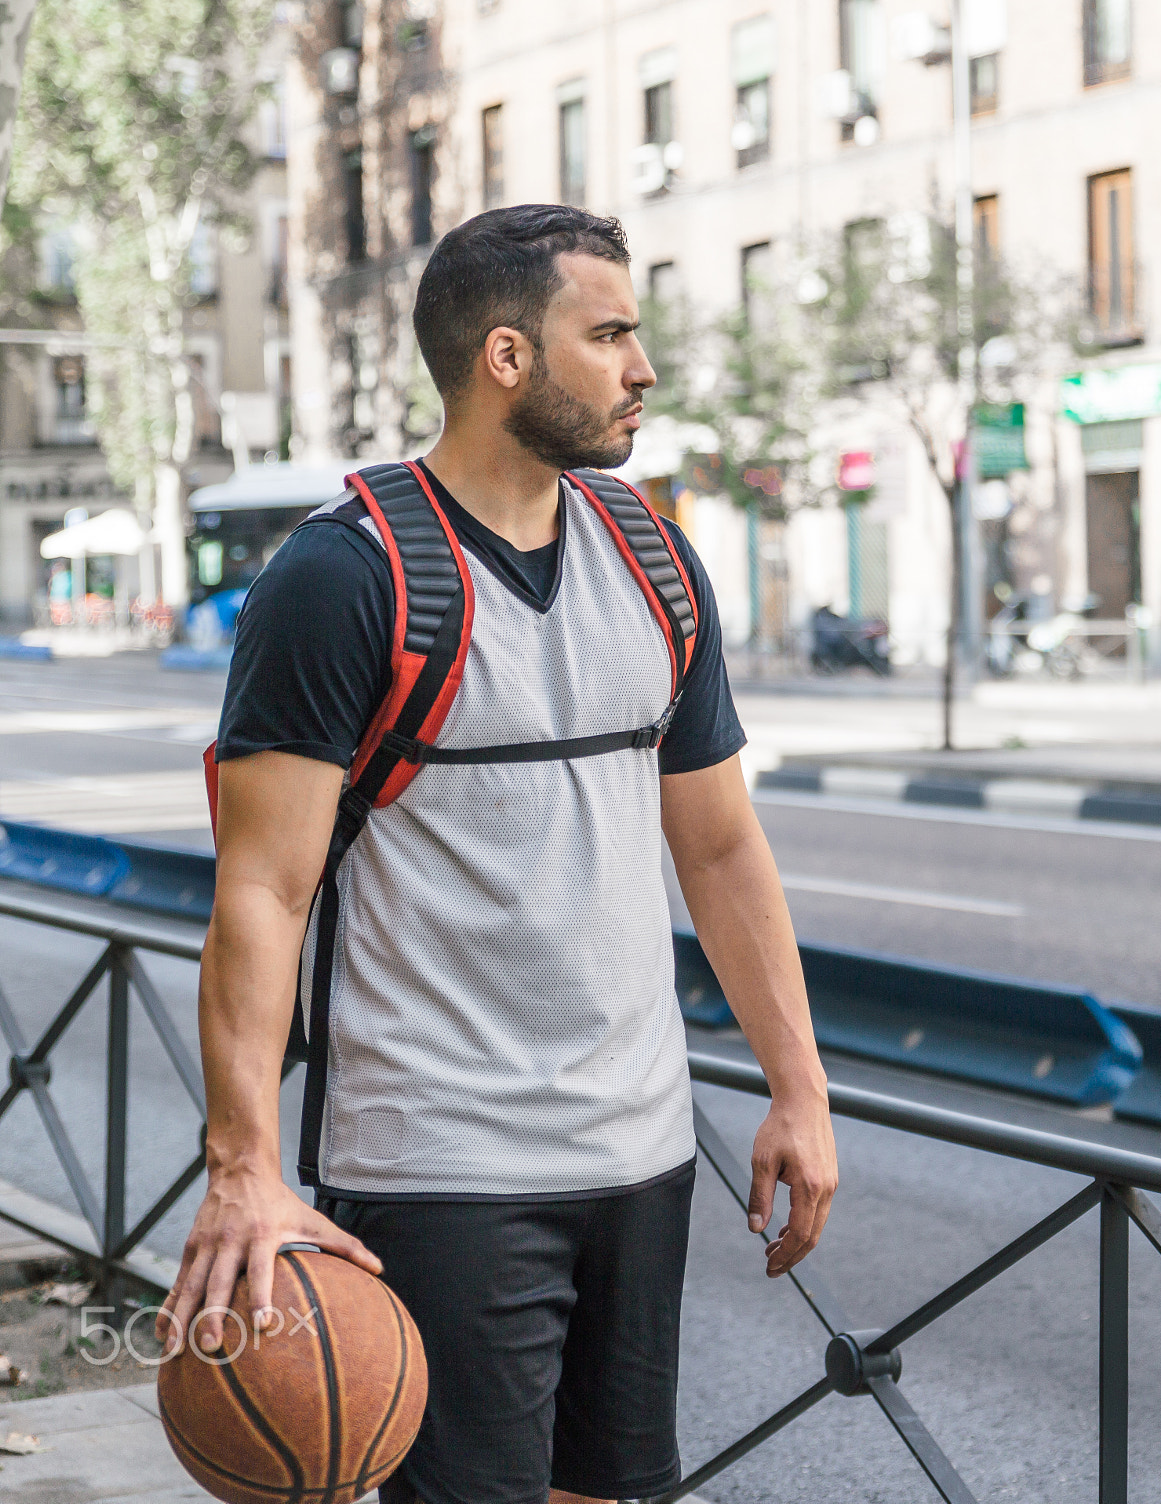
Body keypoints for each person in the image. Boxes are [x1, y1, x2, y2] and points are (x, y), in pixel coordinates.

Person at [159, 205, 838, 1504]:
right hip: (441, 1168)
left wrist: (797, 1090)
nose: (643, 366)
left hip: (641, 1155)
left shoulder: (654, 560)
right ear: (509, 357)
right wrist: (244, 1169)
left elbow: (723, 848)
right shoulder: (341, 580)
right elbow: (262, 890)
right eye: (612, 334)